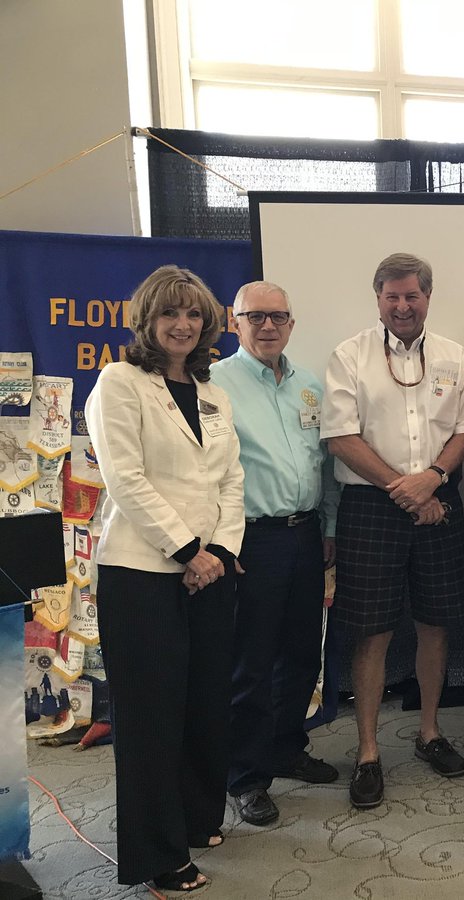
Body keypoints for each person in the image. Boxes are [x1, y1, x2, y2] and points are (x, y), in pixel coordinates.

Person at [85, 265, 244, 891]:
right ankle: (158, 855)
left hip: (211, 571)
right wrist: (188, 551)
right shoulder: (119, 382)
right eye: (170, 314)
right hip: (143, 571)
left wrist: (223, 551)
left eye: (194, 314)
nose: (184, 325)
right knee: (152, 717)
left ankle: (197, 818)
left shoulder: (213, 390)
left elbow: (231, 477)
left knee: (205, 704)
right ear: (147, 321)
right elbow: (124, 479)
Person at [322, 252, 464, 809]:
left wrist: (432, 480)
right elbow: (341, 437)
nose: (403, 305)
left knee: (436, 624)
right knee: (372, 632)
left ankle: (429, 732)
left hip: (438, 501)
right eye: (392, 296)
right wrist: (405, 489)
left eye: (412, 296)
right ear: (379, 298)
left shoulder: (455, 356)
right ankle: (367, 752)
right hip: (371, 506)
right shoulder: (349, 356)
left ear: (427, 298)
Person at [210, 281, 340, 827]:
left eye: (278, 316)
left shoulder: (310, 385)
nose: (267, 326)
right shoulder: (213, 384)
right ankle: (245, 777)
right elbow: (205, 472)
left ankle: (286, 748)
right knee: (251, 663)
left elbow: (325, 465)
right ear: (233, 323)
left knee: (301, 653)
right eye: (255, 317)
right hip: (251, 541)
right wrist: (221, 539)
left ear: (291, 324)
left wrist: (329, 527)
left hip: (307, 535)